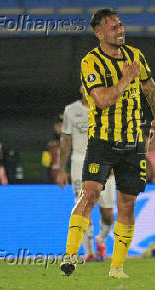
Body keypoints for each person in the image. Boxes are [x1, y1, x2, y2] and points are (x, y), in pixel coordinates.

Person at [60, 8, 155, 279]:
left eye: (120, 25)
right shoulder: (90, 62)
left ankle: (116, 268)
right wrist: (127, 78)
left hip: (133, 142)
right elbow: (102, 99)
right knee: (90, 192)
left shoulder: (136, 56)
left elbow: (149, 86)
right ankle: (71, 254)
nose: (120, 30)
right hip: (103, 140)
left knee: (127, 202)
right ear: (99, 33)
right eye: (113, 27)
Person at [57, 86, 115, 262]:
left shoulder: (109, 108)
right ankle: (89, 252)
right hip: (78, 163)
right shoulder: (71, 110)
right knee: (83, 205)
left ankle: (101, 239)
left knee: (108, 213)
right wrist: (61, 170)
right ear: (82, 88)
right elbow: (66, 140)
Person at [42, 114, 62, 183]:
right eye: (58, 125)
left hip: (71, 179)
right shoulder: (50, 142)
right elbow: (45, 163)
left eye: (63, 125)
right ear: (55, 126)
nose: (61, 128)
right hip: (53, 179)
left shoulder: (74, 140)